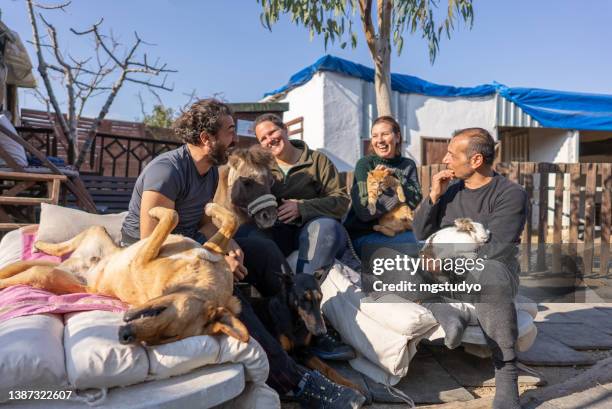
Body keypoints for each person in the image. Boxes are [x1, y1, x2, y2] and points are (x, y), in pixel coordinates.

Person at [120, 99, 365, 409]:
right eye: (230, 131)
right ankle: (295, 381)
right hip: (152, 257)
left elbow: (204, 222)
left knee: (260, 249)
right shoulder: (167, 171)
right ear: (207, 138)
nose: (235, 139)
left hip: (189, 245)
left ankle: (299, 334)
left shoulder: (207, 172)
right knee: (230, 296)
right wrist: (216, 258)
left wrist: (228, 243)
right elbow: (151, 243)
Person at [412, 127, 528, 409]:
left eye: (452, 154)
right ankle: (446, 311)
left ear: (476, 160)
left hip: (489, 274)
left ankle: (507, 372)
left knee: (491, 272)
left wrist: (446, 259)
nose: (446, 160)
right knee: (394, 260)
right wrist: (434, 197)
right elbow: (419, 231)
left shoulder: (511, 194)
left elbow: (496, 248)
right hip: (444, 274)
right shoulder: (451, 192)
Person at [241, 113, 350, 278]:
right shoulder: (262, 168)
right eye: (263, 138)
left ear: (286, 130)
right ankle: (276, 289)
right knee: (245, 235)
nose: (269, 139)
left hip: (315, 227)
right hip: (278, 229)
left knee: (325, 228)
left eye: (272, 132)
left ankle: (305, 288)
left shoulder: (317, 161)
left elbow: (341, 201)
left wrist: (302, 208)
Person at [344, 116, 422, 257]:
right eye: (374, 136)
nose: (379, 140)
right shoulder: (365, 165)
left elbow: (415, 199)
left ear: (397, 137)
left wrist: (396, 177)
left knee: (428, 241)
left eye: (385, 134)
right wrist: (394, 191)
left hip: (397, 230)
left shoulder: (407, 165)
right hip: (365, 235)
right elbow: (365, 211)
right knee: (418, 245)